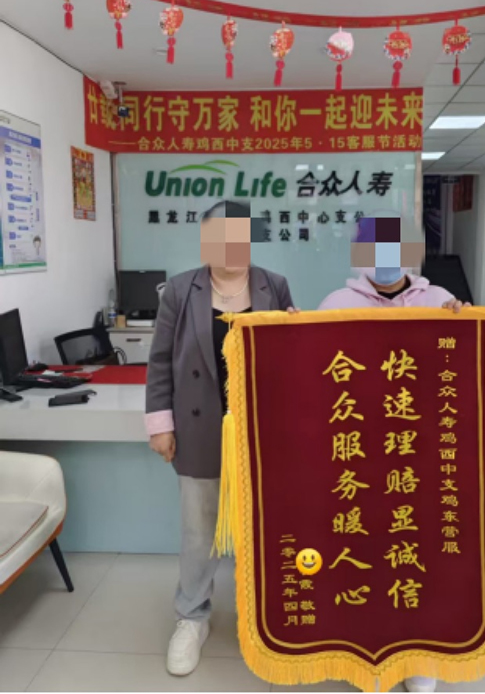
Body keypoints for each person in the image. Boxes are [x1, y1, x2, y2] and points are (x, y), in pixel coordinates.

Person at [319, 212, 470, 694]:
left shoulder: (440, 300)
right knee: (366, 544)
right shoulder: (336, 304)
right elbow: (313, 370)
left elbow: (460, 368)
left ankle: (419, 654)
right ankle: (369, 643)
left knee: (417, 545)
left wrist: (464, 325)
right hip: (361, 449)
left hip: (418, 448)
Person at [145, 200, 296, 677]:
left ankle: (265, 613)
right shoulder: (179, 290)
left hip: (262, 431)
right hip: (199, 428)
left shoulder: (274, 285)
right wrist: (160, 423)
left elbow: (291, 358)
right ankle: (192, 616)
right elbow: (160, 360)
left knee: (266, 528)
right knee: (199, 531)